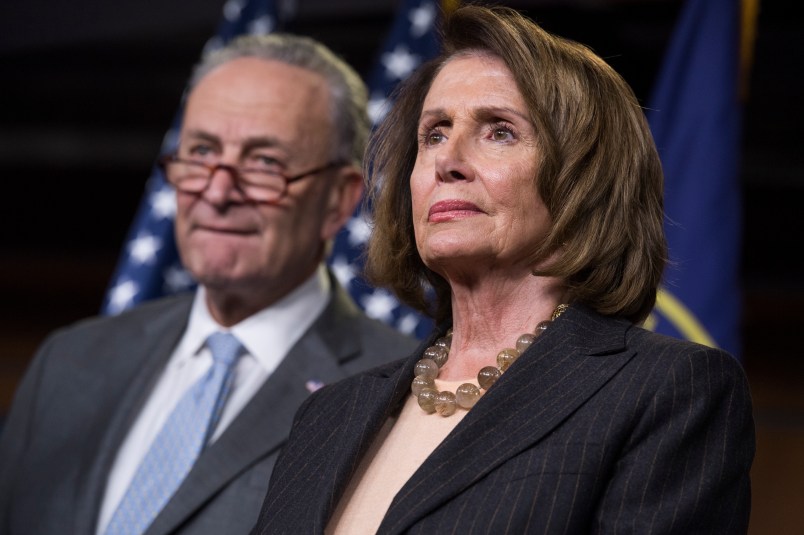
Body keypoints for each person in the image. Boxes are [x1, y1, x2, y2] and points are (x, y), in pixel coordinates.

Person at [252, 5, 756, 534]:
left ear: (586, 179)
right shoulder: (330, 414)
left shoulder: (667, 390)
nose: (449, 160)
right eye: (435, 133)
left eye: (499, 132)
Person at [0, 33, 418, 535]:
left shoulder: (398, 396)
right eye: (200, 152)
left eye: (265, 162)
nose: (217, 192)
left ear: (339, 200)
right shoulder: (69, 362)